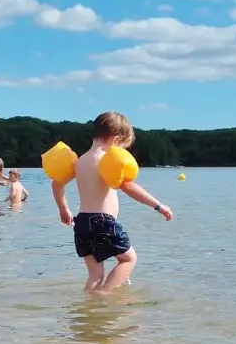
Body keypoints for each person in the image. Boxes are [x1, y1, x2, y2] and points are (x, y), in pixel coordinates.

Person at [51, 111, 173, 293]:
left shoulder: (79, 161)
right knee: (128, 259)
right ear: (116, 140)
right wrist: (158, 205)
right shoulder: (106, 160)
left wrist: (64, 209)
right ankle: (104, 294)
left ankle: (90, 306)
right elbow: (128, 187)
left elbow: (56, 184)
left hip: (82, 223)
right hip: (103, 222)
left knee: (95, 275)